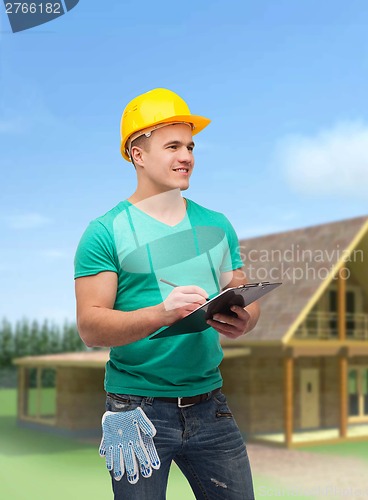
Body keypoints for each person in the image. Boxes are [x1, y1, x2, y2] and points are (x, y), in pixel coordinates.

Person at [74, 88, 260, 499]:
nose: (187, 156)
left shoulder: (217, 225)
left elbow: (242, 290)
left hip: (211, 405)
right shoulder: (105, 232)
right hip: (134, 411)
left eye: (190, 146)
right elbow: (91, 326)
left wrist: (246, 316)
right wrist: (162, 313)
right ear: (138, 155)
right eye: (172, 145)